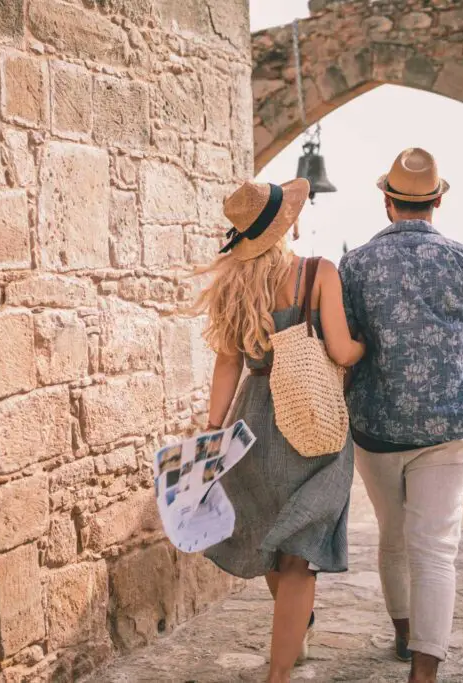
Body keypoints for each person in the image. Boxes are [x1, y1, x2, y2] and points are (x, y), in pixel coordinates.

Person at [339, 148, 463, 683]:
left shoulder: (356, 263)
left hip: (376, 428)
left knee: (392, 534)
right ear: (437, 201)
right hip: (450, 430)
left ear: (387, 201)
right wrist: (454, 392)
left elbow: (346, 347)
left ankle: (405, 634)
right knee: (435, 547)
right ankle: (424, 672)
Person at [193, 178, 365, 683]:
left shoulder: (235, 286)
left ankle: (296, 638)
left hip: (252, 423)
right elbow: (339, 349)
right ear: (287, 226)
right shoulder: (318, 273)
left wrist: (211, 429)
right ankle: (278, 674)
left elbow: (228, 364)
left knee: (272, 536)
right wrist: (364, 348)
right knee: (300, 554)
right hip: (312, 420)